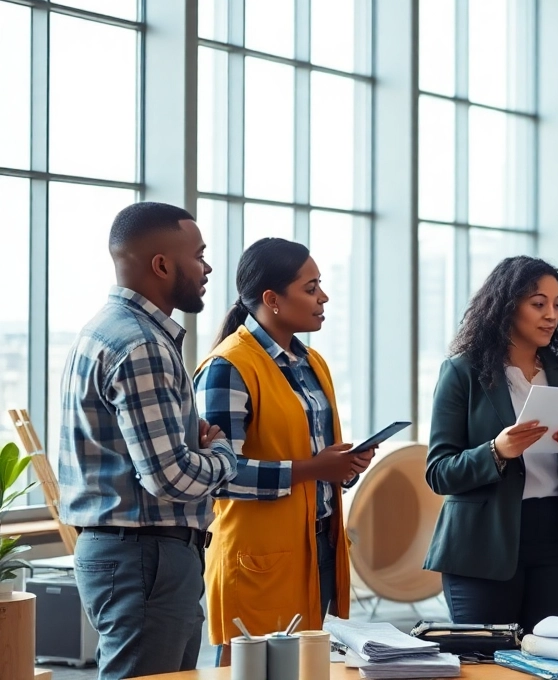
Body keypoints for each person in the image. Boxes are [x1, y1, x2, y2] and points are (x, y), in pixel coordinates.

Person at [58, 202, 238, 680]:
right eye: (199, 255)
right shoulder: (143, 345)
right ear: (162, 264)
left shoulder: (105, 329)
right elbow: (170, 475)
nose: (207, 267)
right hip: (146, 557)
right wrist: (223, 454)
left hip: (134, 555)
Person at [194, 238, 374, 659]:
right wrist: (313, 469)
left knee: (310, 669)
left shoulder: (312, 363)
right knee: (257, 671)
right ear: (272, 299)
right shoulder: (229, 367)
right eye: (311, 288)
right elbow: (221, 474)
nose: (323, 297)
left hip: (320, 550)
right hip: (260, 559)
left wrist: (345, 467)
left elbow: (312, 458)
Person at [423, 256, 558, 634]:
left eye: (557, 304)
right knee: (487, 664)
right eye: (538, 304)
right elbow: (439, 472)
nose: (551, 314)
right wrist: (496, 451)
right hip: (483, 544)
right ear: (507, 307)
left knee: (548, 660)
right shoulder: (462, 372)